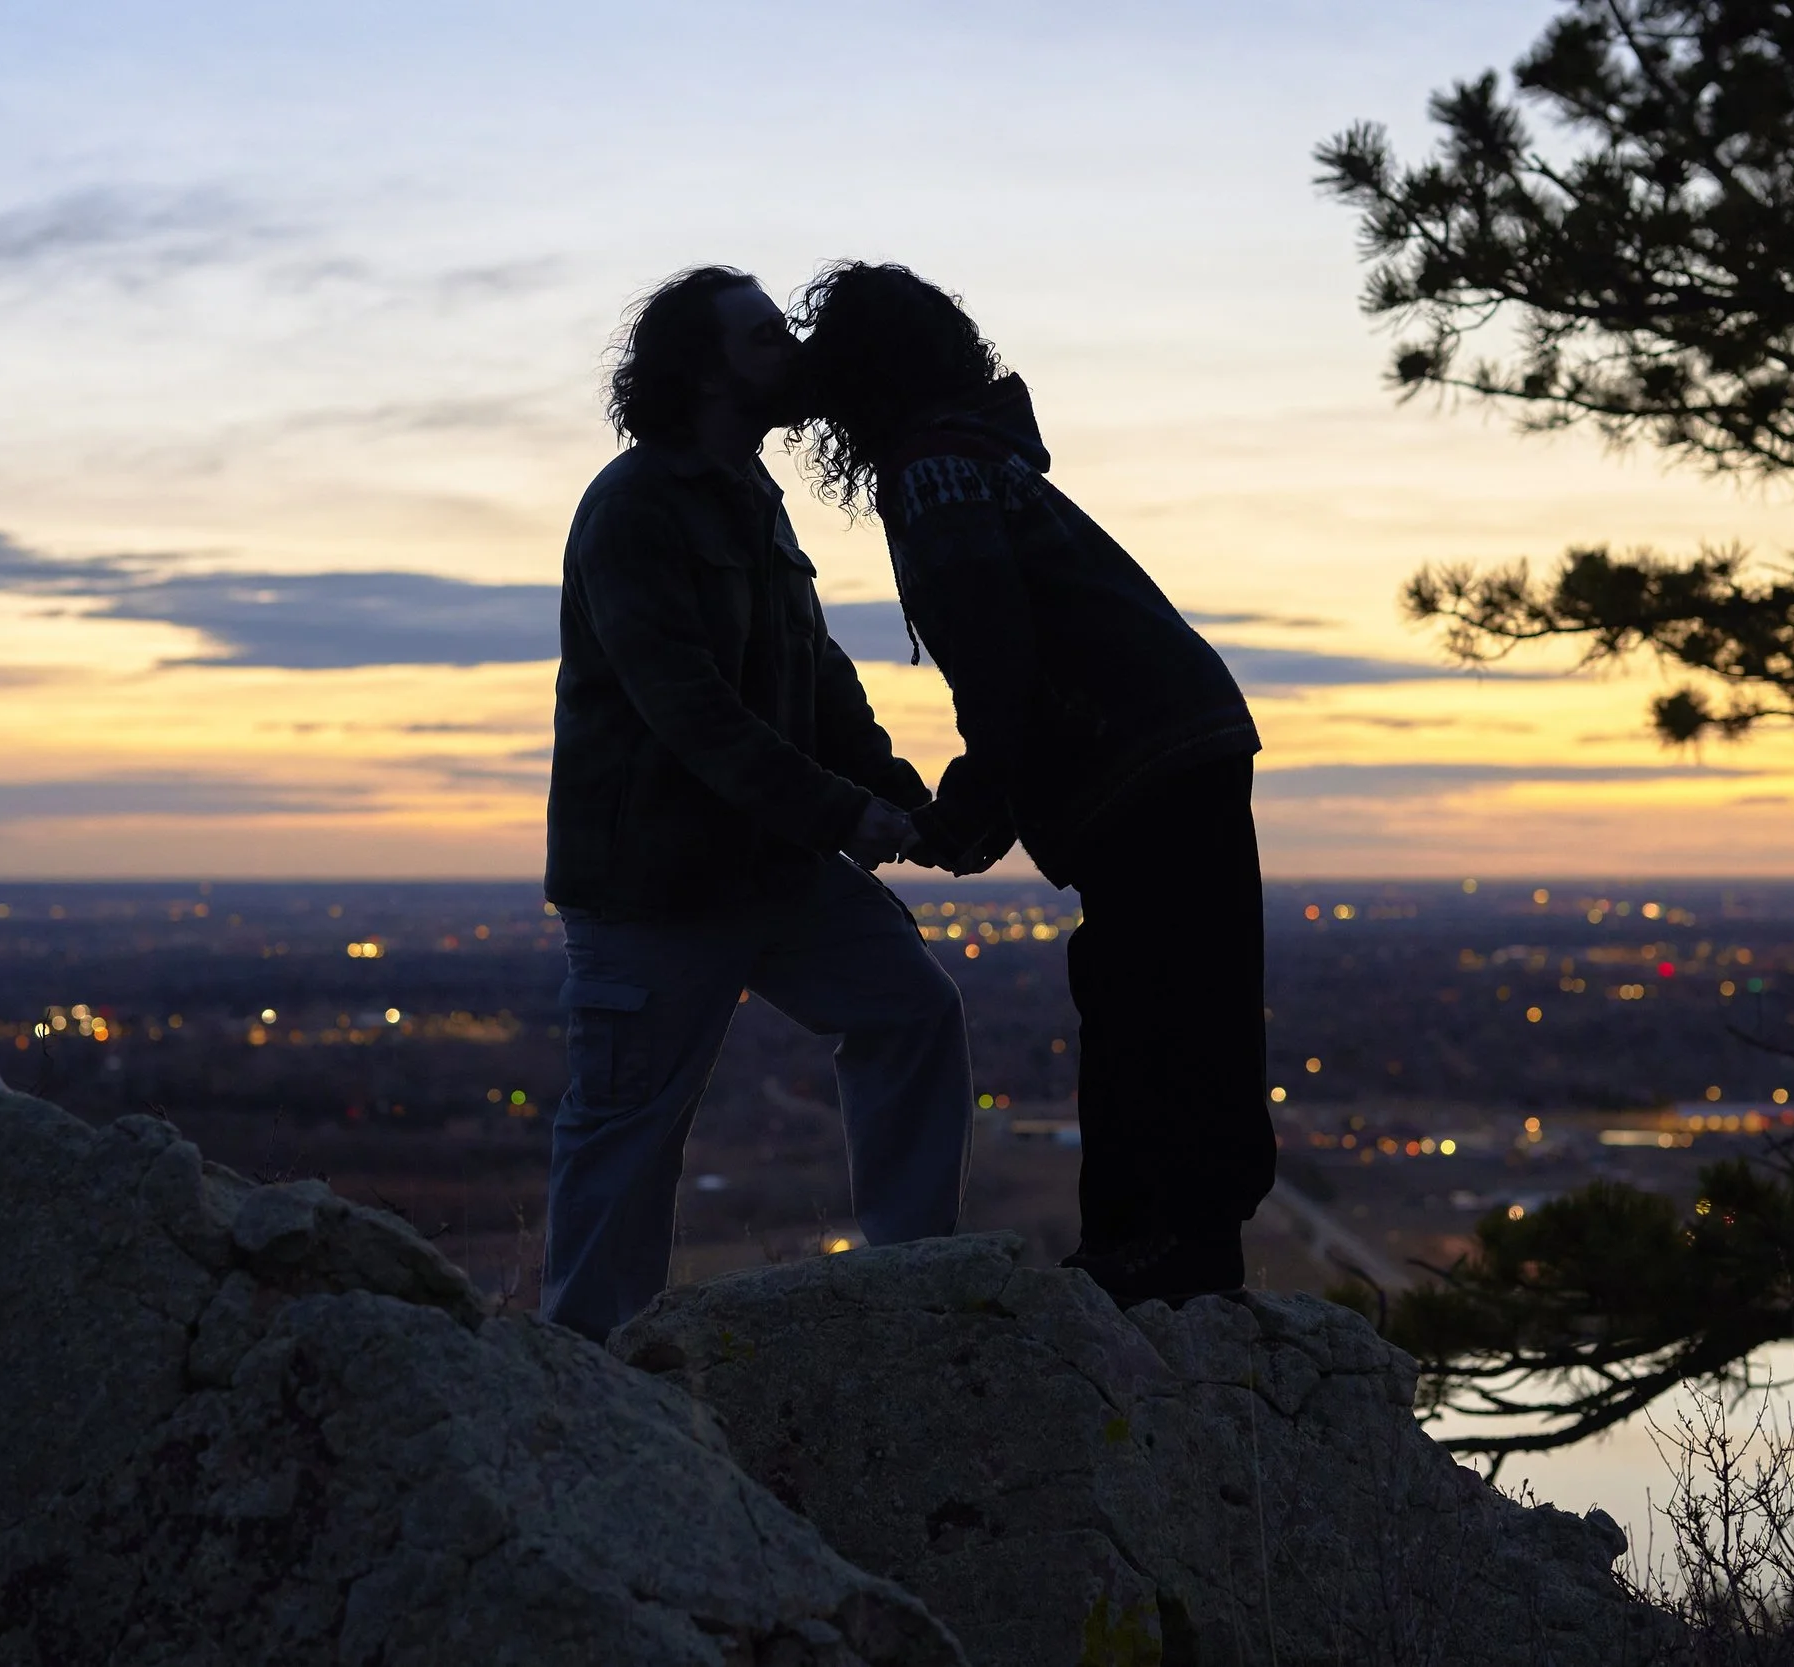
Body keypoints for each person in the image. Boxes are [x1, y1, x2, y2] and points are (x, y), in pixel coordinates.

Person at [792, 261, 1276, 1307]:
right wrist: (986, 800)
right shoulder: (975, 455)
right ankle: (1186, 1243)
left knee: (1147, 990)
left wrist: (971, 810)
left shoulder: (932, 473)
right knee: (1184, 988)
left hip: (1140, 755)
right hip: (1183, 738)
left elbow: (999, 663)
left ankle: (1151, 1248)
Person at [539, 265, 974, 1341]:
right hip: (654, 886)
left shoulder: (753, 498)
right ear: (700, 369)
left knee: (912, 1011)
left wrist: (893, 792)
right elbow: (691, 711)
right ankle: (586, 1373)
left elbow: (815, 675)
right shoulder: (634, 508)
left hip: (770, 865)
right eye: (764, 337)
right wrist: (844, 814)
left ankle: (916, 1290)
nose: (792, 351)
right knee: (629, 1130)